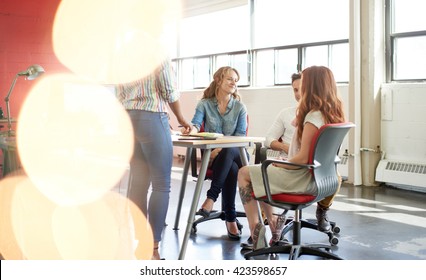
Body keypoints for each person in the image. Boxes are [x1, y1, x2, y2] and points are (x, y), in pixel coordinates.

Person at [237, 65, 345, 250]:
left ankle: (256, 230)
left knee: (245, 173)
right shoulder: (333, 114)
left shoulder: (313, 117)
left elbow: (303, 159)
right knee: (261, 174)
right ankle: (274, 227)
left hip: (301, 179)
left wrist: (284, 163)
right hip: (323, 179)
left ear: (311, 86)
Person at [116, 59, 192, 260]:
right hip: (152, 114)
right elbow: (169, 91)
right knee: (161, 184)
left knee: (139, 184)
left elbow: (119, 94)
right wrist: (181, 119)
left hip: (129, 119)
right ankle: (153, 249)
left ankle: (141, 242)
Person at [182, 66, 248, 240]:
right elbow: (196, 124)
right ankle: (231, 219)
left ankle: (211, 198)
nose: (234, 83)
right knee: (231, 168)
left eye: (236, 80)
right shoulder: (204, 104)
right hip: (216, 157)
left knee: (230, 154)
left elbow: (240, 138)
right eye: (230, 79)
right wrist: (191, 131)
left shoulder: (240, 107)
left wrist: (219, 148)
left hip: (238, 153)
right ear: (219, 80)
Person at [265, 73, 301, 157]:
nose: (298, 94)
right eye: (295, 90)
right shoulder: (285, 113)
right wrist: (284, 147)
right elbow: (268, 139)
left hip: (296, 164)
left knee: (243, 170)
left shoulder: (315, 116)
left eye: (302, 89)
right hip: (284, 160)